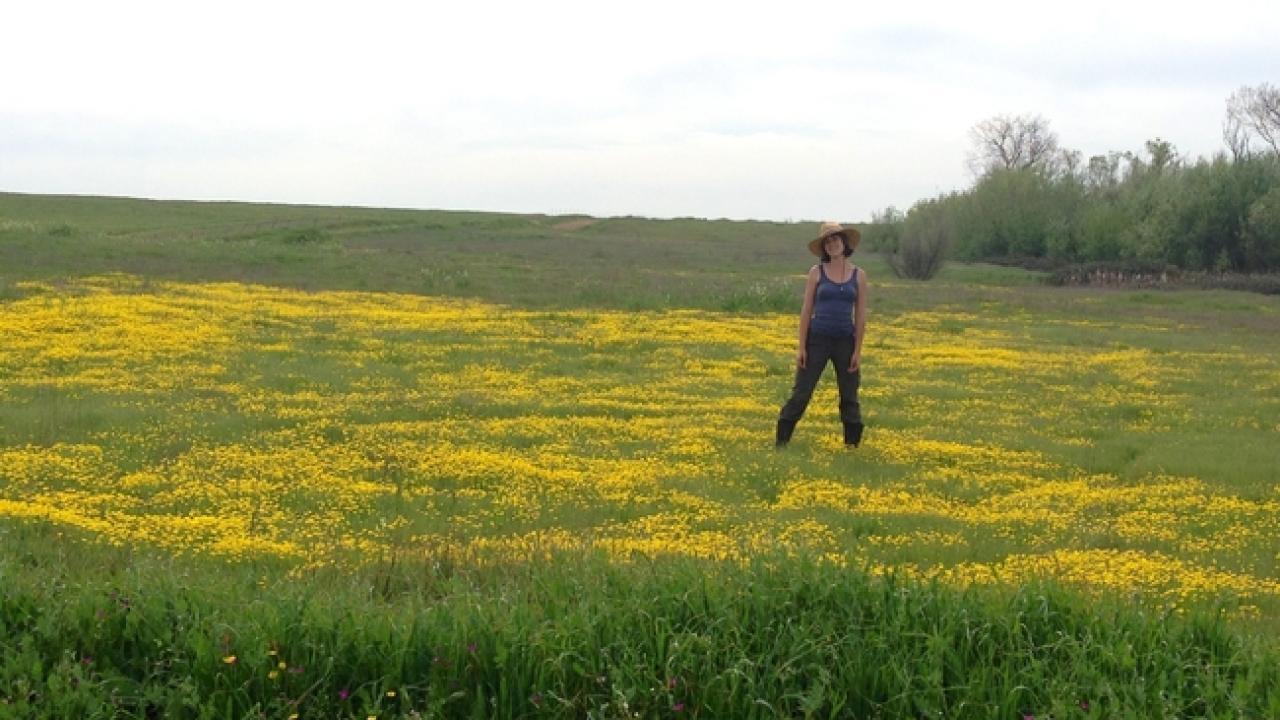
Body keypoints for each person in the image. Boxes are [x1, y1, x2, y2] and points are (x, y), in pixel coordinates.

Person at [776, 221, 867, 447]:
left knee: (849, 395)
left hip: (845, 340)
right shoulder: (816, 273)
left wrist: (857, 350)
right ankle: (781, 443)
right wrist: (801, 347)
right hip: (817, 339)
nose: (832, 244)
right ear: (824, 247)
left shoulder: (859, 275)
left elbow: (861, 315)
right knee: (802, 392)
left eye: (835, 239)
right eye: (828, 241)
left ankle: (851, 447)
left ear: (844, 243)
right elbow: (806, 310)